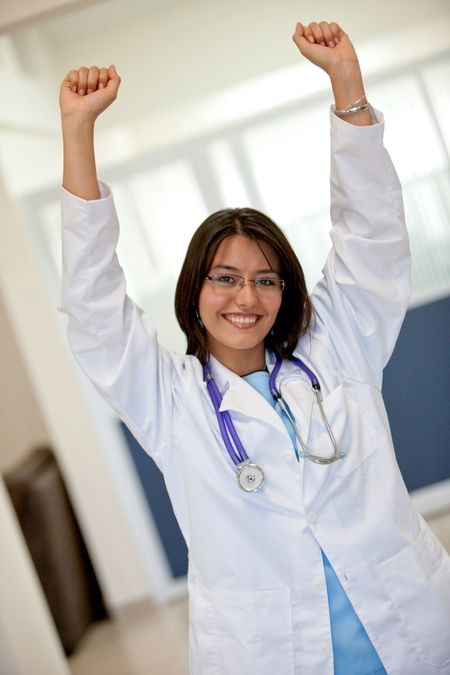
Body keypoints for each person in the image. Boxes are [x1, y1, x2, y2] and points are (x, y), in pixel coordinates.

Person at [59, 20, 450, 675]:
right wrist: (77, 133)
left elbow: (373, 234)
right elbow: (94, 307)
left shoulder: (339, 350)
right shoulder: (169, 399)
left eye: (265, 278)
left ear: (285, 289)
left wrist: (346, 84)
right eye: (225, 277)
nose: (247, 297)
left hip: (409, 633)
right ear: (194, 289)